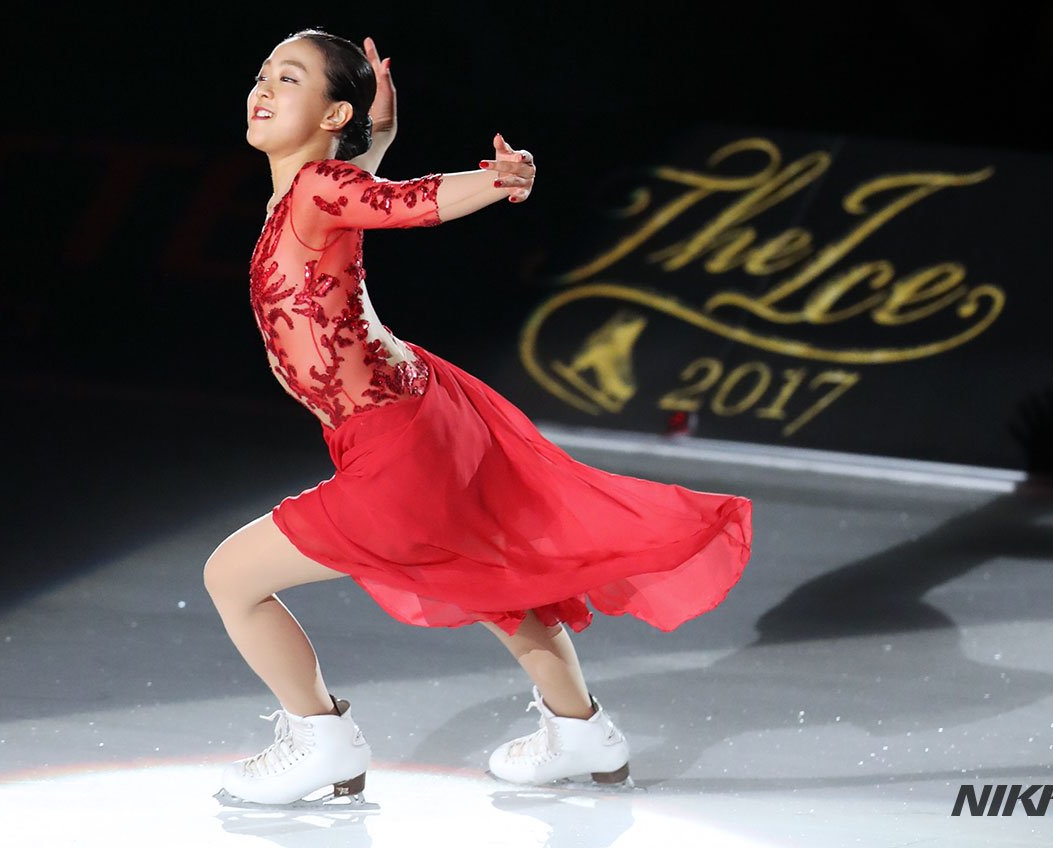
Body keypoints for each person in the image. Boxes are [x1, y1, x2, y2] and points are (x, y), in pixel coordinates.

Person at [204, 27, 754, 808]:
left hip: (397, 445)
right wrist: (381, 129)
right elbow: (364, 185)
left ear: (331, 114)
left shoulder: (318, 189)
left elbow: (404, 202)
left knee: (231, 578)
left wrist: (497, 180)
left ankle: (320, 740)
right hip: (417, 416)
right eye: (263, 73)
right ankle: (581, 732)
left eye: (288, 78)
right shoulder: (311, 186)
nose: (263, 88)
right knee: (490, 577)